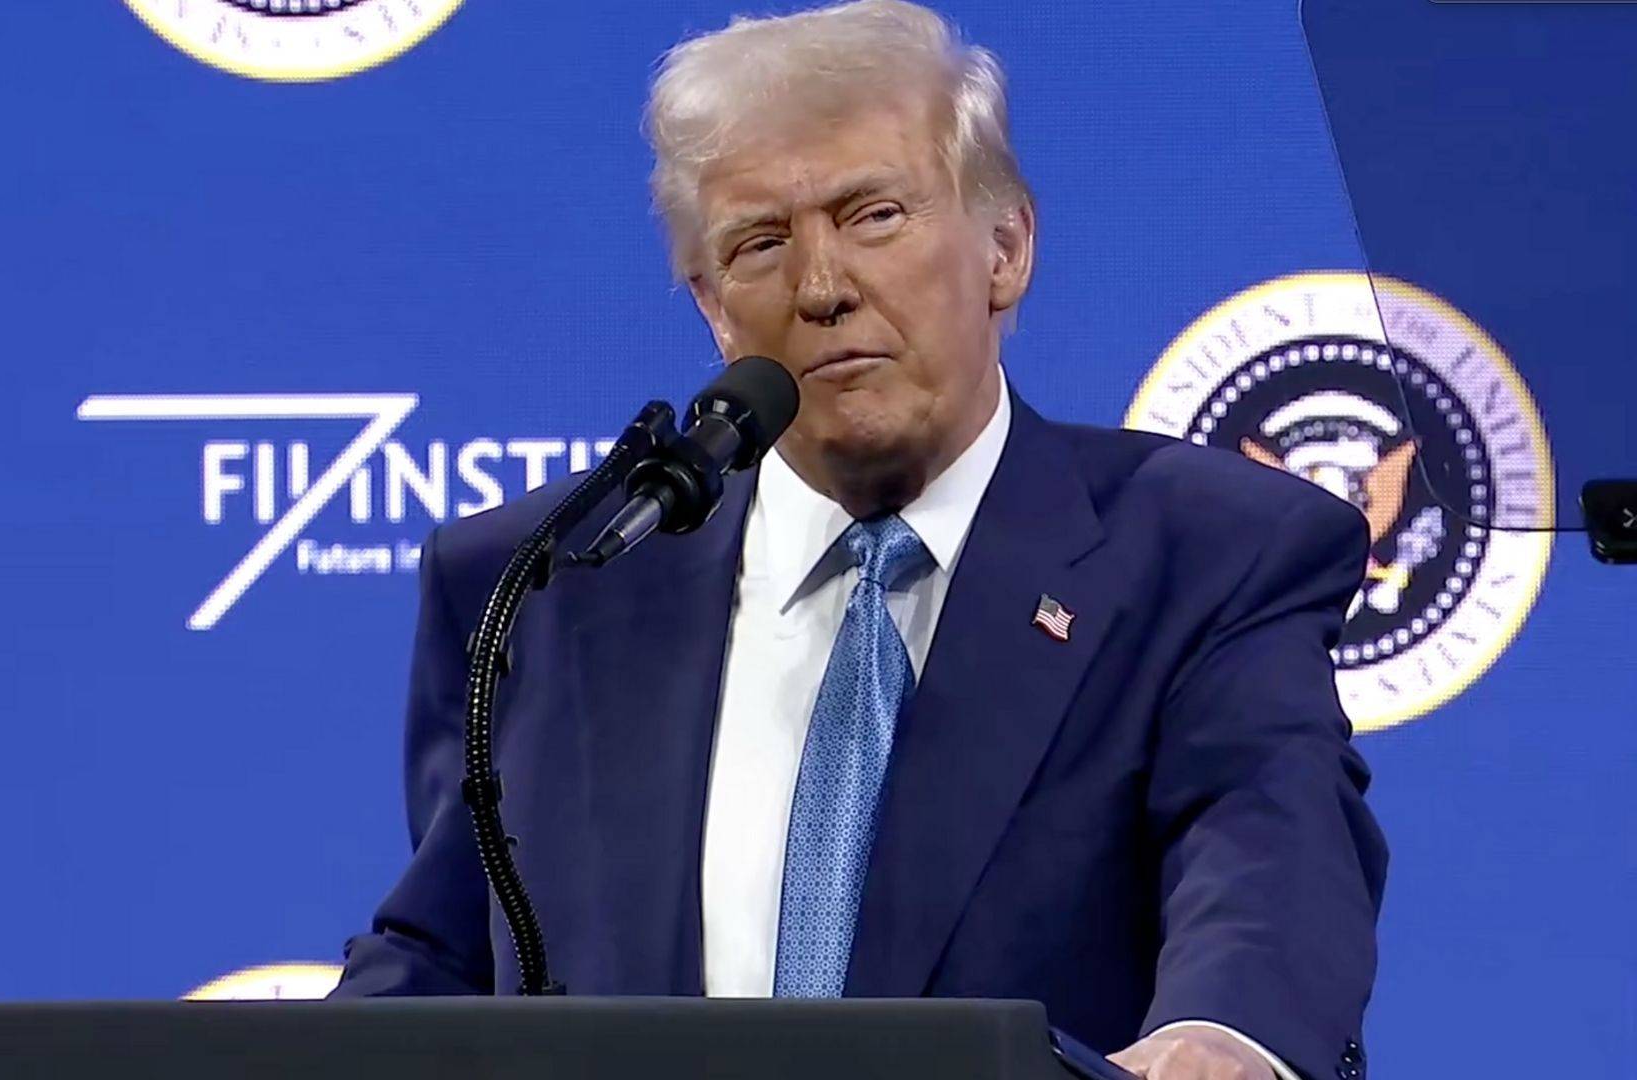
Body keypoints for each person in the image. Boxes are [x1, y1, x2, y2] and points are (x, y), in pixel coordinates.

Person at [332, 4, 1387, 1078]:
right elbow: (444, 951)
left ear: (1005, 247)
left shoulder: (1206, 551)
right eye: (760, 244)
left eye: (874, 215)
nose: (823, 288)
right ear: (712, 308)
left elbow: (1271, 840)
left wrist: (1220, 1037)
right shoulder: (552, 581)